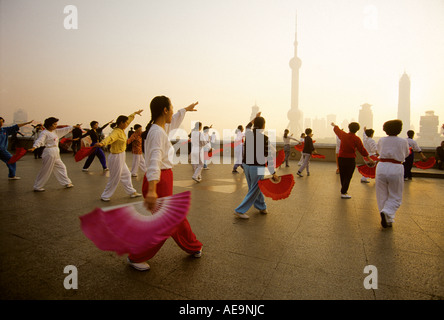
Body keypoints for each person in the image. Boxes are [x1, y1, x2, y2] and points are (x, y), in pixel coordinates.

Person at [127, 96, 202, 271]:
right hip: (158, 181)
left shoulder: (160, 128)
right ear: (165, 110)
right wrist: (152, 190)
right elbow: (154, 162)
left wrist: (186, 109)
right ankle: (136, 256)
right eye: (171, 108)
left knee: (174, 217)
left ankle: (193, 245)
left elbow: (172, 122)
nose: (173, 112)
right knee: (165, 223)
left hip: (163, 179)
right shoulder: (156, 132)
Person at [234, 112, 279, 219]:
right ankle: (240, 210)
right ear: (263, 125)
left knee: (254, 187)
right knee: (255, 188)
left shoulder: (248, 134)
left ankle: (261, 206)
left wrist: (255, 118)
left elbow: (247, 126)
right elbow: (268, 157)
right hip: (257, 167)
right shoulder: (264, 138)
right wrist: (273, 173)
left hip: (246, 165)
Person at [94, 110, 143, 201]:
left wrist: (134, 114)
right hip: (116, 157)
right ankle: (105, 195)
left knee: (127, 174)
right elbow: (110, 138)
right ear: (121, 123)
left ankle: (131, 192)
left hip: (121, 155)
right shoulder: (116, 132)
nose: (127, 124)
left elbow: (128, 120)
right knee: (115, 178)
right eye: (125, 123)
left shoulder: (121, 129)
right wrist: (102, 143)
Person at [375, 120, 410, 228]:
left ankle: (387, 217)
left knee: (381, 194)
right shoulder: (403, 141)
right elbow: (407, 154)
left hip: (381, 166)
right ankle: (387, 213)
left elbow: (378, 151)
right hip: (396, 167)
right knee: (395, 195)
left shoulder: (381, 140)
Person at [28, 117, 74, 191]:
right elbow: (40, 140)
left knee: (61, 167)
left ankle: (66, 182)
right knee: (46, 170)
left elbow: (63, 130)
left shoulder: (54, 132)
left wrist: (73, 127)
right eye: (54, 124)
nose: (56, 126)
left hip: (56, 152)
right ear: (49, 125)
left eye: (56, 124)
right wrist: (34, 147)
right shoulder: (44, 133)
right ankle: (37, 186)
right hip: (49, 152)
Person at [331, 122, 374, 199]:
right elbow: (362, 150)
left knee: (343, 175)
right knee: (348, 176)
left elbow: (337, 130)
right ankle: (343, 192)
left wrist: (334, 125)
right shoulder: (356, 139)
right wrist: (369, 158)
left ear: (349, 128)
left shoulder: (343, 135)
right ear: (357, 130)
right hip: (350, 159)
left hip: (341, 158)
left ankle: (343, 190)